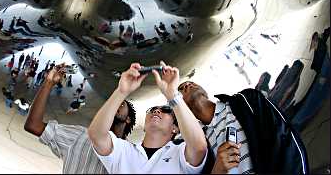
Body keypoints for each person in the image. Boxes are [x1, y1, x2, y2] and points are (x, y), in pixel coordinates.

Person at [88, 62, 207, 173]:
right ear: (144, 126)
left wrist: (172, 96)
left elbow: (199, 147)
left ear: (175, 128)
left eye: (165, 110)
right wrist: (121, 91)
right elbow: (96, 135)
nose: (157, 110)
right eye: (152, 110)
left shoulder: (181, 153)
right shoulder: (123, 150)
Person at [24, 63, 137, 174]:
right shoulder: (79, 136)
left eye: (121, 104)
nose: (114, 106)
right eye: (112, 103)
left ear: (128, 119)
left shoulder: (132, 155)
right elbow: (33, 125)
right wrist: (48, 83)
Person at [177, 81, 309, 174]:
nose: (187, 85)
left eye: (190, 83)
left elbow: (286, 138)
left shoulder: (246, 100)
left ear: (205, 91)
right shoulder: (195, 144)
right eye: (182, 89)